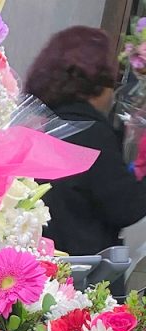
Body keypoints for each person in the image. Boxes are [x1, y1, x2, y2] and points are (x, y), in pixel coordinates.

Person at [26, 26, 146, 257]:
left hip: (40, 261)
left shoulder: (43, 125)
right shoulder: (92, 135)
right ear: (96, 86)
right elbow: (126, 207)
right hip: (81, 271)